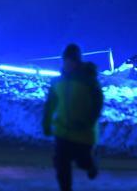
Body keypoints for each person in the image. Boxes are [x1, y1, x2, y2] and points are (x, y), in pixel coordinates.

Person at [42, 44, 103, 191]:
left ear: (78, 61)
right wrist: (46, 124)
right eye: (67, 60)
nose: (69, 63)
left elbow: (97, 104)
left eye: (72, 60)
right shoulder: (57, 82)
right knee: (61, 164)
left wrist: (89, 122)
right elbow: (50, 104)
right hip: (62, 130)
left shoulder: (89, 81)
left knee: (82, 162)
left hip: (83, 132)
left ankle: (91, 166)